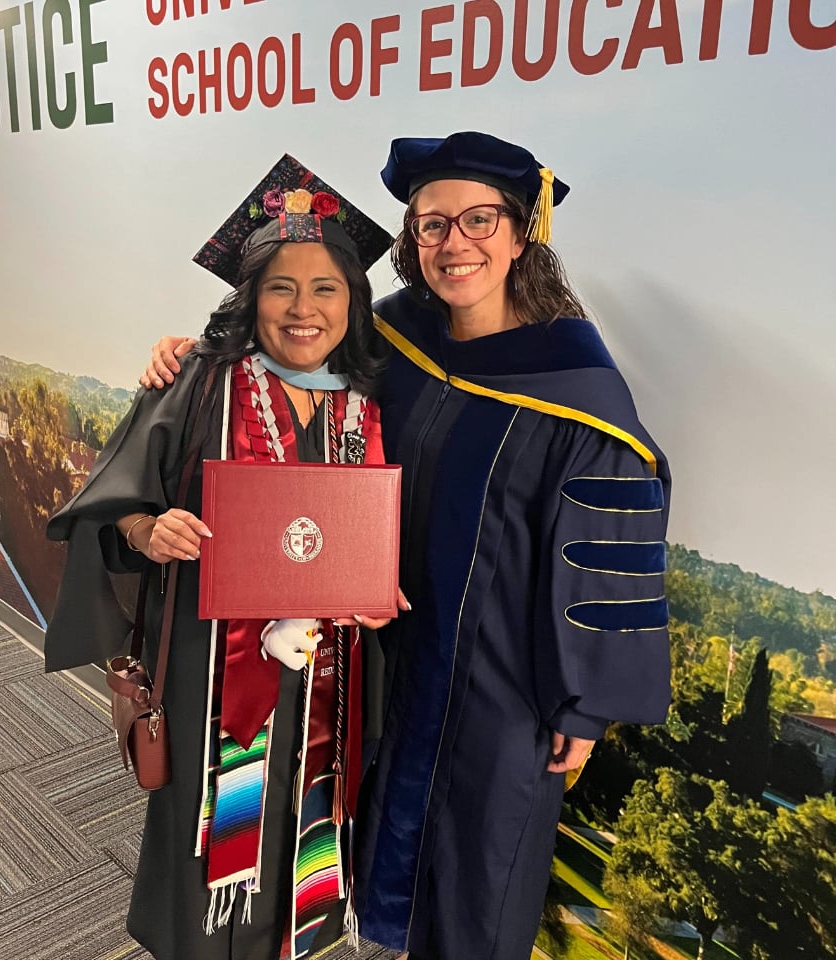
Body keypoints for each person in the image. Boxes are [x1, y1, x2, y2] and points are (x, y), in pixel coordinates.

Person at [140, 131, 672, 960]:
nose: (454, 244)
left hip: (505, 683)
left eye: (480, 220)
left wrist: (588, 703)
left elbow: (605, 551)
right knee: (368, 842)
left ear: (524, 231)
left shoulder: (581, 393)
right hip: (382, 655)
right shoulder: (391, 339)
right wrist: (190, 348)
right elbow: (285, 350)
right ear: (411, 239)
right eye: (431, 225)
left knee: (479, 878)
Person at [43, 155, 399, 960]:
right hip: (214, 665)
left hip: (324, 671)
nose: (303, 309)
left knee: (299, 822)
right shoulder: (202, 381)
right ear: (250, 297)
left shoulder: (365, 404)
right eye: (280, 287)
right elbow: (119, 495)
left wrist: (376, 597)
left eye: (326, 288)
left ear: (354, 300)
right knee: (210, 834)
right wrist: (145, 529)